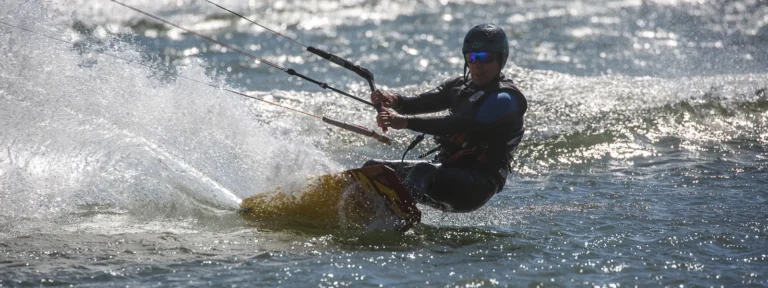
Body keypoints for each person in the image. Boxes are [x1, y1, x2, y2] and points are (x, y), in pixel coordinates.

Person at [364, 23, 528, 213]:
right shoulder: (459, 86)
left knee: (423, 171)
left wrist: (406, 123)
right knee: (375, 170)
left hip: (477, 184)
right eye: (471, 58)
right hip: (442, 170)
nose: (477, 65)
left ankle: (393, 219)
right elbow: (421, 103)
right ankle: (352, 212)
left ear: (501, 59)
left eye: (485, 58)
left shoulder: (505, 99)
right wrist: (393, 100)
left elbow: (457, 124)